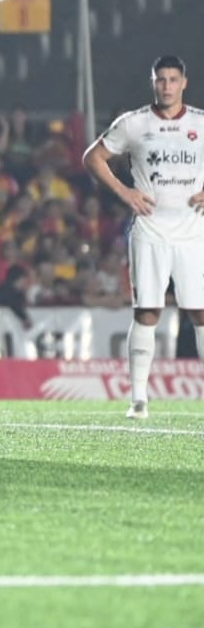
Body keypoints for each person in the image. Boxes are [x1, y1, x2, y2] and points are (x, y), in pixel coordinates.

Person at [81, 55, 204, 419]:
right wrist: (125, 192)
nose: (166, 86)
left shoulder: (200, 123)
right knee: (147, 310)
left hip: (192, 231)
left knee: (199, 312)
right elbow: (93, 157)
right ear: (153, 83)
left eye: (172, 80)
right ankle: (138, 399)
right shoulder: (134, 124)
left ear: (184, 83)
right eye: (160, 80)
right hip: (150, 230)